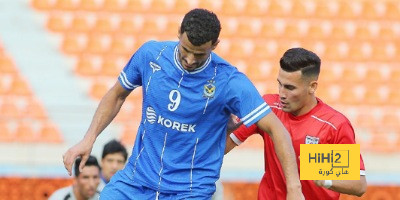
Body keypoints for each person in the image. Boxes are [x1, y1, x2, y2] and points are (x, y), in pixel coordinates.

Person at [63, 8, 304, 199]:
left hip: (188, 191)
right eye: (185, 50)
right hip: (136, 181)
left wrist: (295, 189)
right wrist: (89, 138)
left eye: (199, 55)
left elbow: (277, 130)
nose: (189, 60)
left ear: (214, 45)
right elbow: (117, 94)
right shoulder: (151, 56)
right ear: (179, 33)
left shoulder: (230, 81)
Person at [226, 47, 367, 200]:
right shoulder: (268, 107)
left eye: (290, 88)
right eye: (280, 84)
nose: (282, 94)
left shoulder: (333, 125)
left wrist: (326, 179)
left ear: (312, 87)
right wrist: (224, 129)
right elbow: (224, 147)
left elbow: (359, 185)